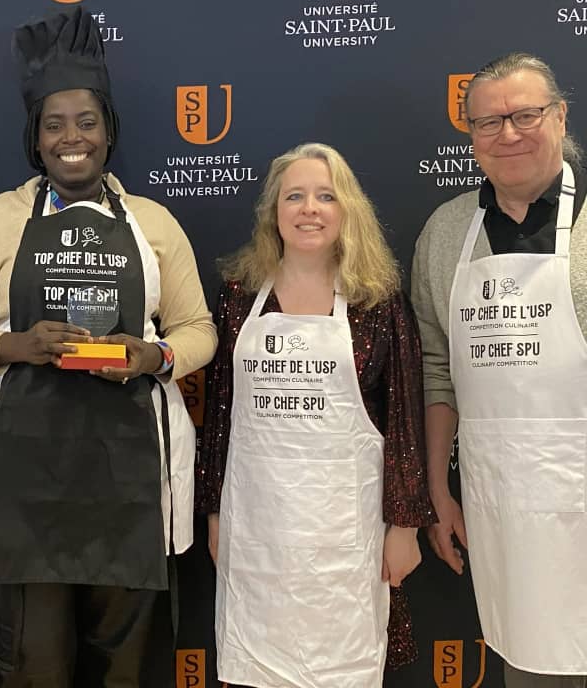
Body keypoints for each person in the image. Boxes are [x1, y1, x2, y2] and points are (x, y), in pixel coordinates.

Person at [0, 5, 216, 687]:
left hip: (130, 479)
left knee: (126, 669)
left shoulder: (154, 222)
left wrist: (153, 358)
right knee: (35, 666)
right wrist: (14, 346)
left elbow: (198, 330)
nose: (71, 137)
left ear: (108, 131)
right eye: (53, 124)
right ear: (36, 139)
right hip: (23, 482)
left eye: (86, 121)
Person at [197, 142, 434, 688]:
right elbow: (221, 415)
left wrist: (404, 526)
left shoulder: (378, 301)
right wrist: (214, 513)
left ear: (347, 209)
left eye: (326, 196)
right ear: (273, 212)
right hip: (257, 530)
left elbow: (404, 420)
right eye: (295, 196)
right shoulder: (239, 297)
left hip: (346, 537)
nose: (309, 209)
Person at [412, 53, 587, 688]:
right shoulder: (446, 232)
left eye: (525, 115)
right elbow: (438, 370)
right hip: (505, 513)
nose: (508, 134)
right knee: (534, 665)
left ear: (560, 117)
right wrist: (438, 488)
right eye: (489, 122)